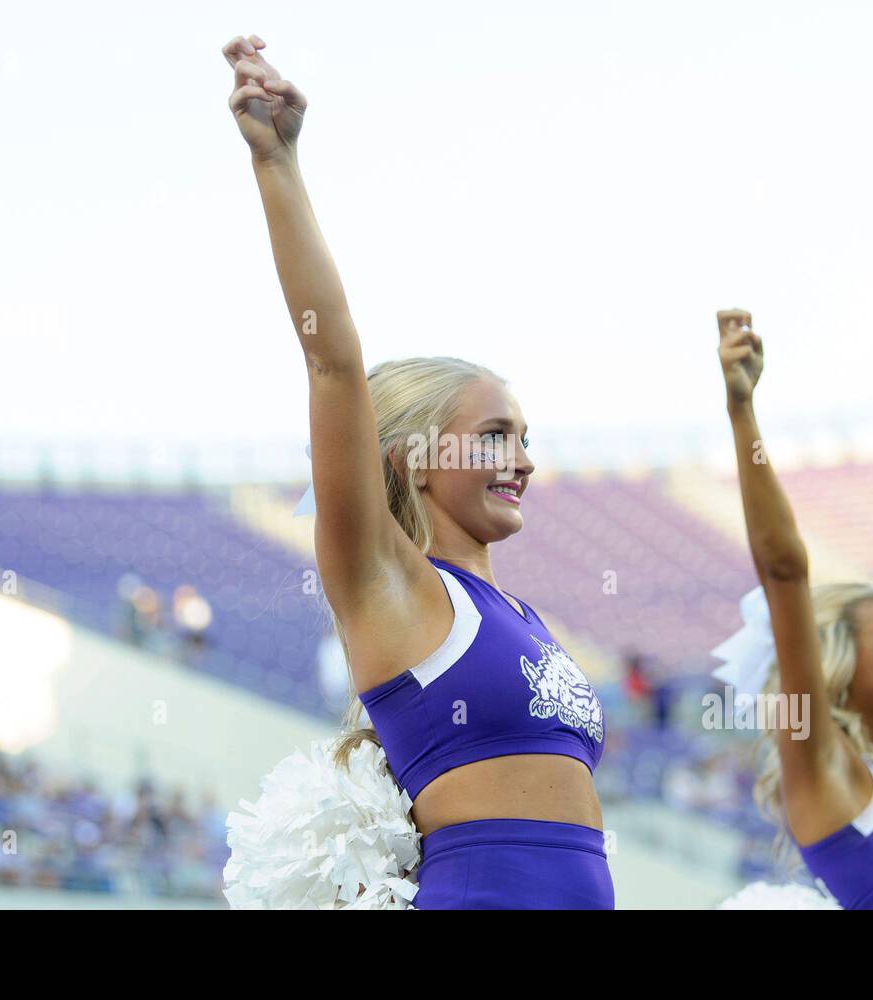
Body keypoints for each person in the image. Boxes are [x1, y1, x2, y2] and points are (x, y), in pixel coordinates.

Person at [219, 33, 610, 909]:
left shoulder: (518, 613)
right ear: (415, 457)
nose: (526, 460)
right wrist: (278, 161)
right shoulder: (390, 585)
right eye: (497, 436)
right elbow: (332, 366)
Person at [712, 308, 873, 910]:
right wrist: (742, 411)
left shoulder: (871, 781)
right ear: (836, 656)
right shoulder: (819, 758)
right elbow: (784, 570)